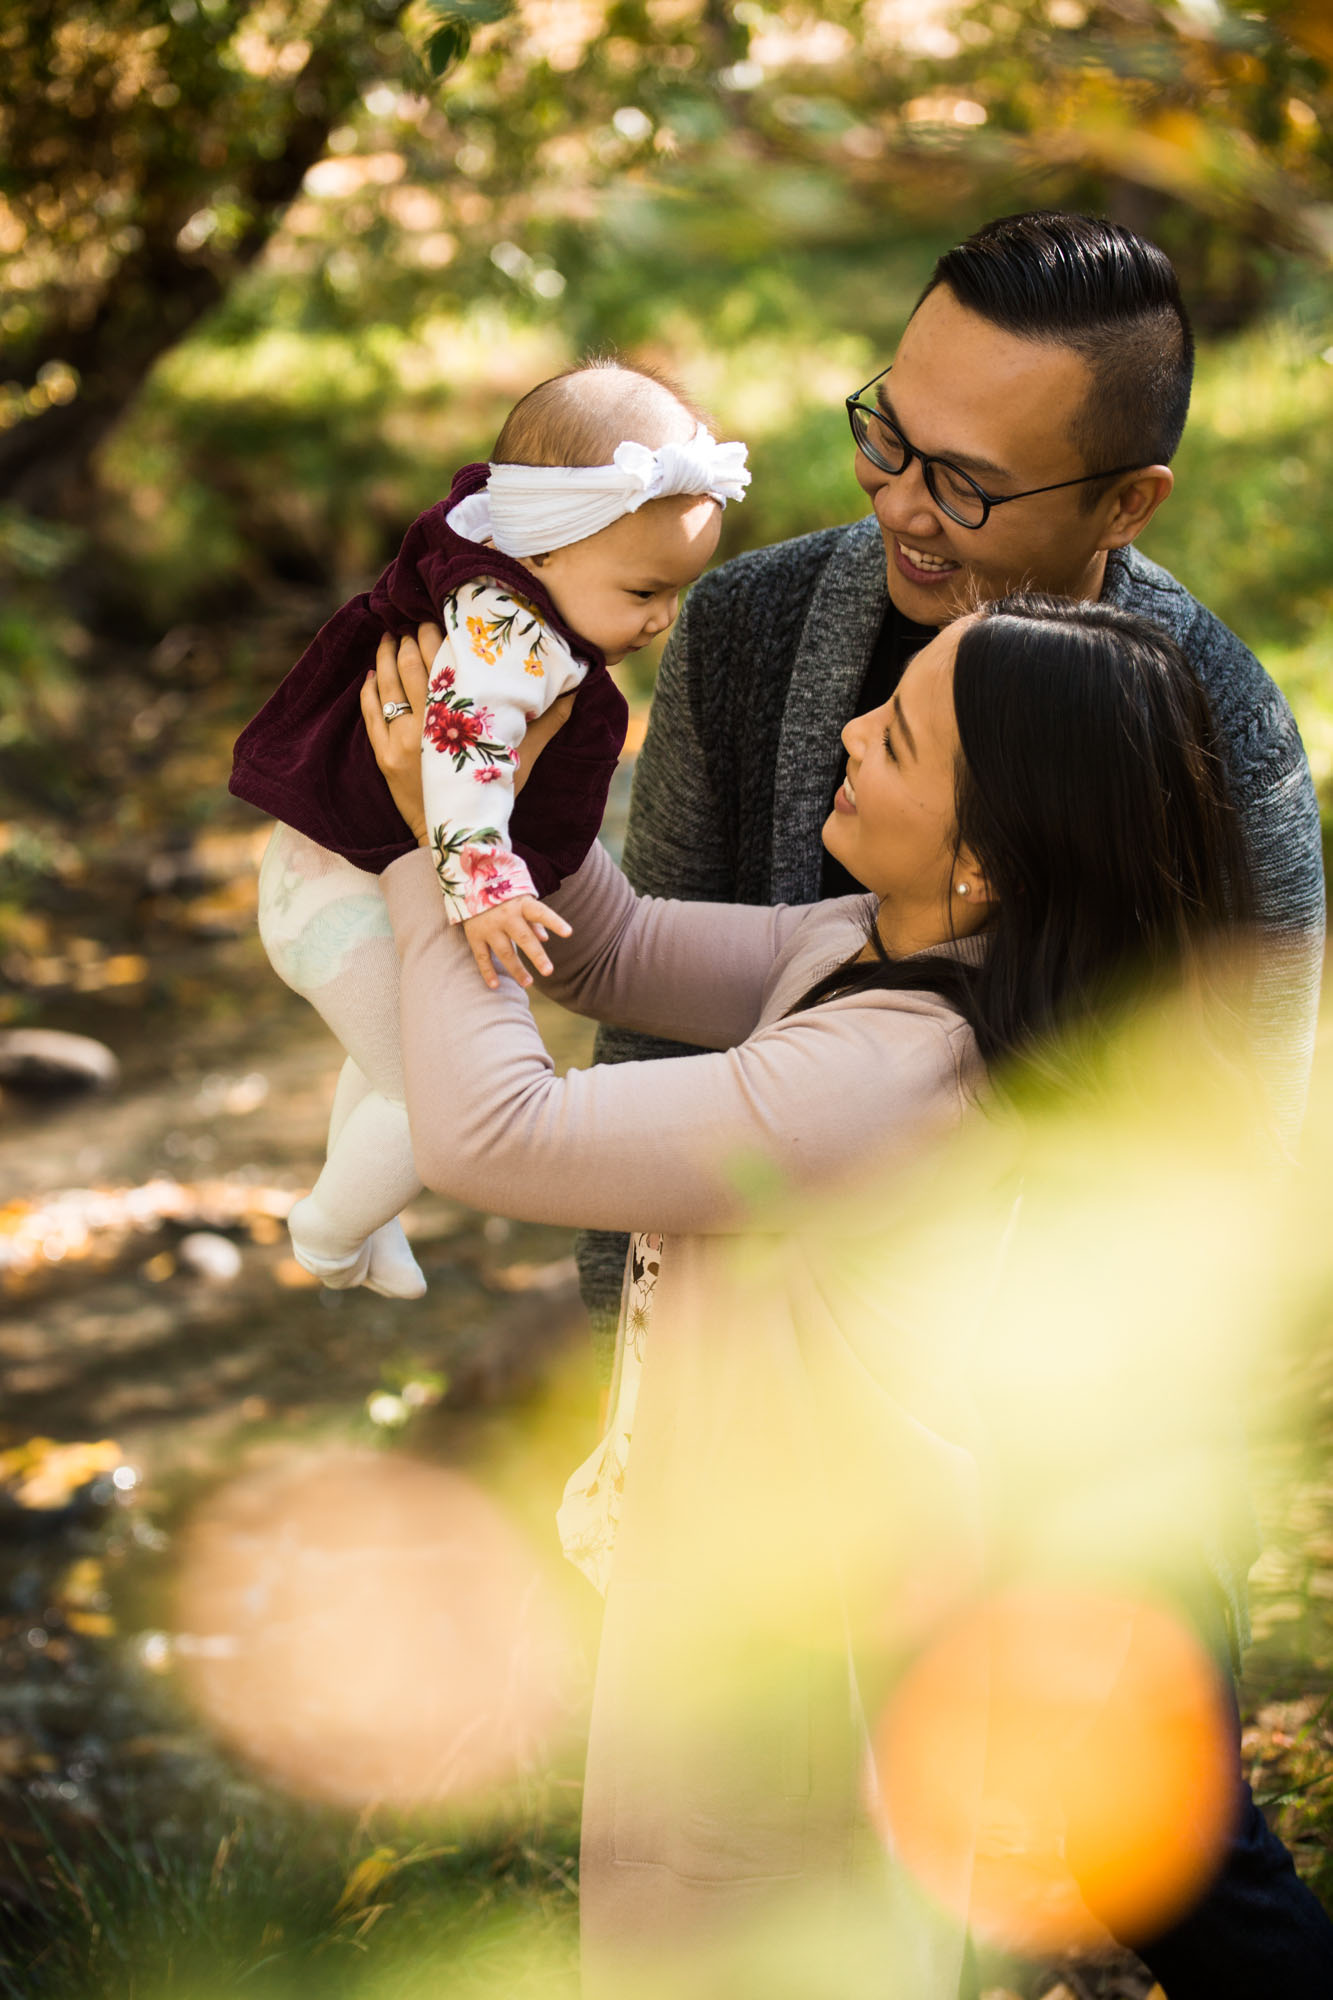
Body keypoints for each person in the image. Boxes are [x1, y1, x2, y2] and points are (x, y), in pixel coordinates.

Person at [359, 592, 1333, 1999]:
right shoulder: (874, 945)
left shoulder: (892, 1072)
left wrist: (430, 846)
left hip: (795, 1665)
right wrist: (498, 771)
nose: (848, 729)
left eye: (902, 734)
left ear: (986, 855)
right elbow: (610, 948)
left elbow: (494, 1131)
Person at [571, 211, 1331, 1996]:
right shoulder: (757, 630)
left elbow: (1241, 1126)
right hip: (780, 1419)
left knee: (1160, 1854)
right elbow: (648, 1040)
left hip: (1066, 1409)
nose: (903, 502)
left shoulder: (1201, 707)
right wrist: (638, 1410)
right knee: (783, 1867)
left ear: (1120, 504)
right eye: (885, 435)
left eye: (969, 483)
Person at [228, 361, 748, 1297]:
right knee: (427, 1094)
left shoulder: (505, 552)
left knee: (385, 1055)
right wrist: (490, 888)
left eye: (677, 590)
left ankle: (366, 1212)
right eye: (642, 593)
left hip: (339, 878)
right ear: (545, 550)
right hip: (340, 903)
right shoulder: (510, 634)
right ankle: (327, 1235)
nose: (664, 618)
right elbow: (461, 756)